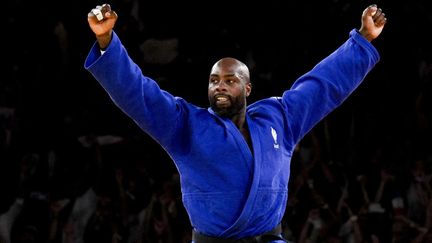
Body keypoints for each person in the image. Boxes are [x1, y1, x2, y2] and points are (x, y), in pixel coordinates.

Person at [85, 3, 387, 242]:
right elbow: (139, 94)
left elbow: (321, 86)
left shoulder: (278, 118)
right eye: (214, 80)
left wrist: (362, 40)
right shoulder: (185, 125)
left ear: (247, 89)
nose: (220, 86)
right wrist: (106, 41)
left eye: (230, 80)